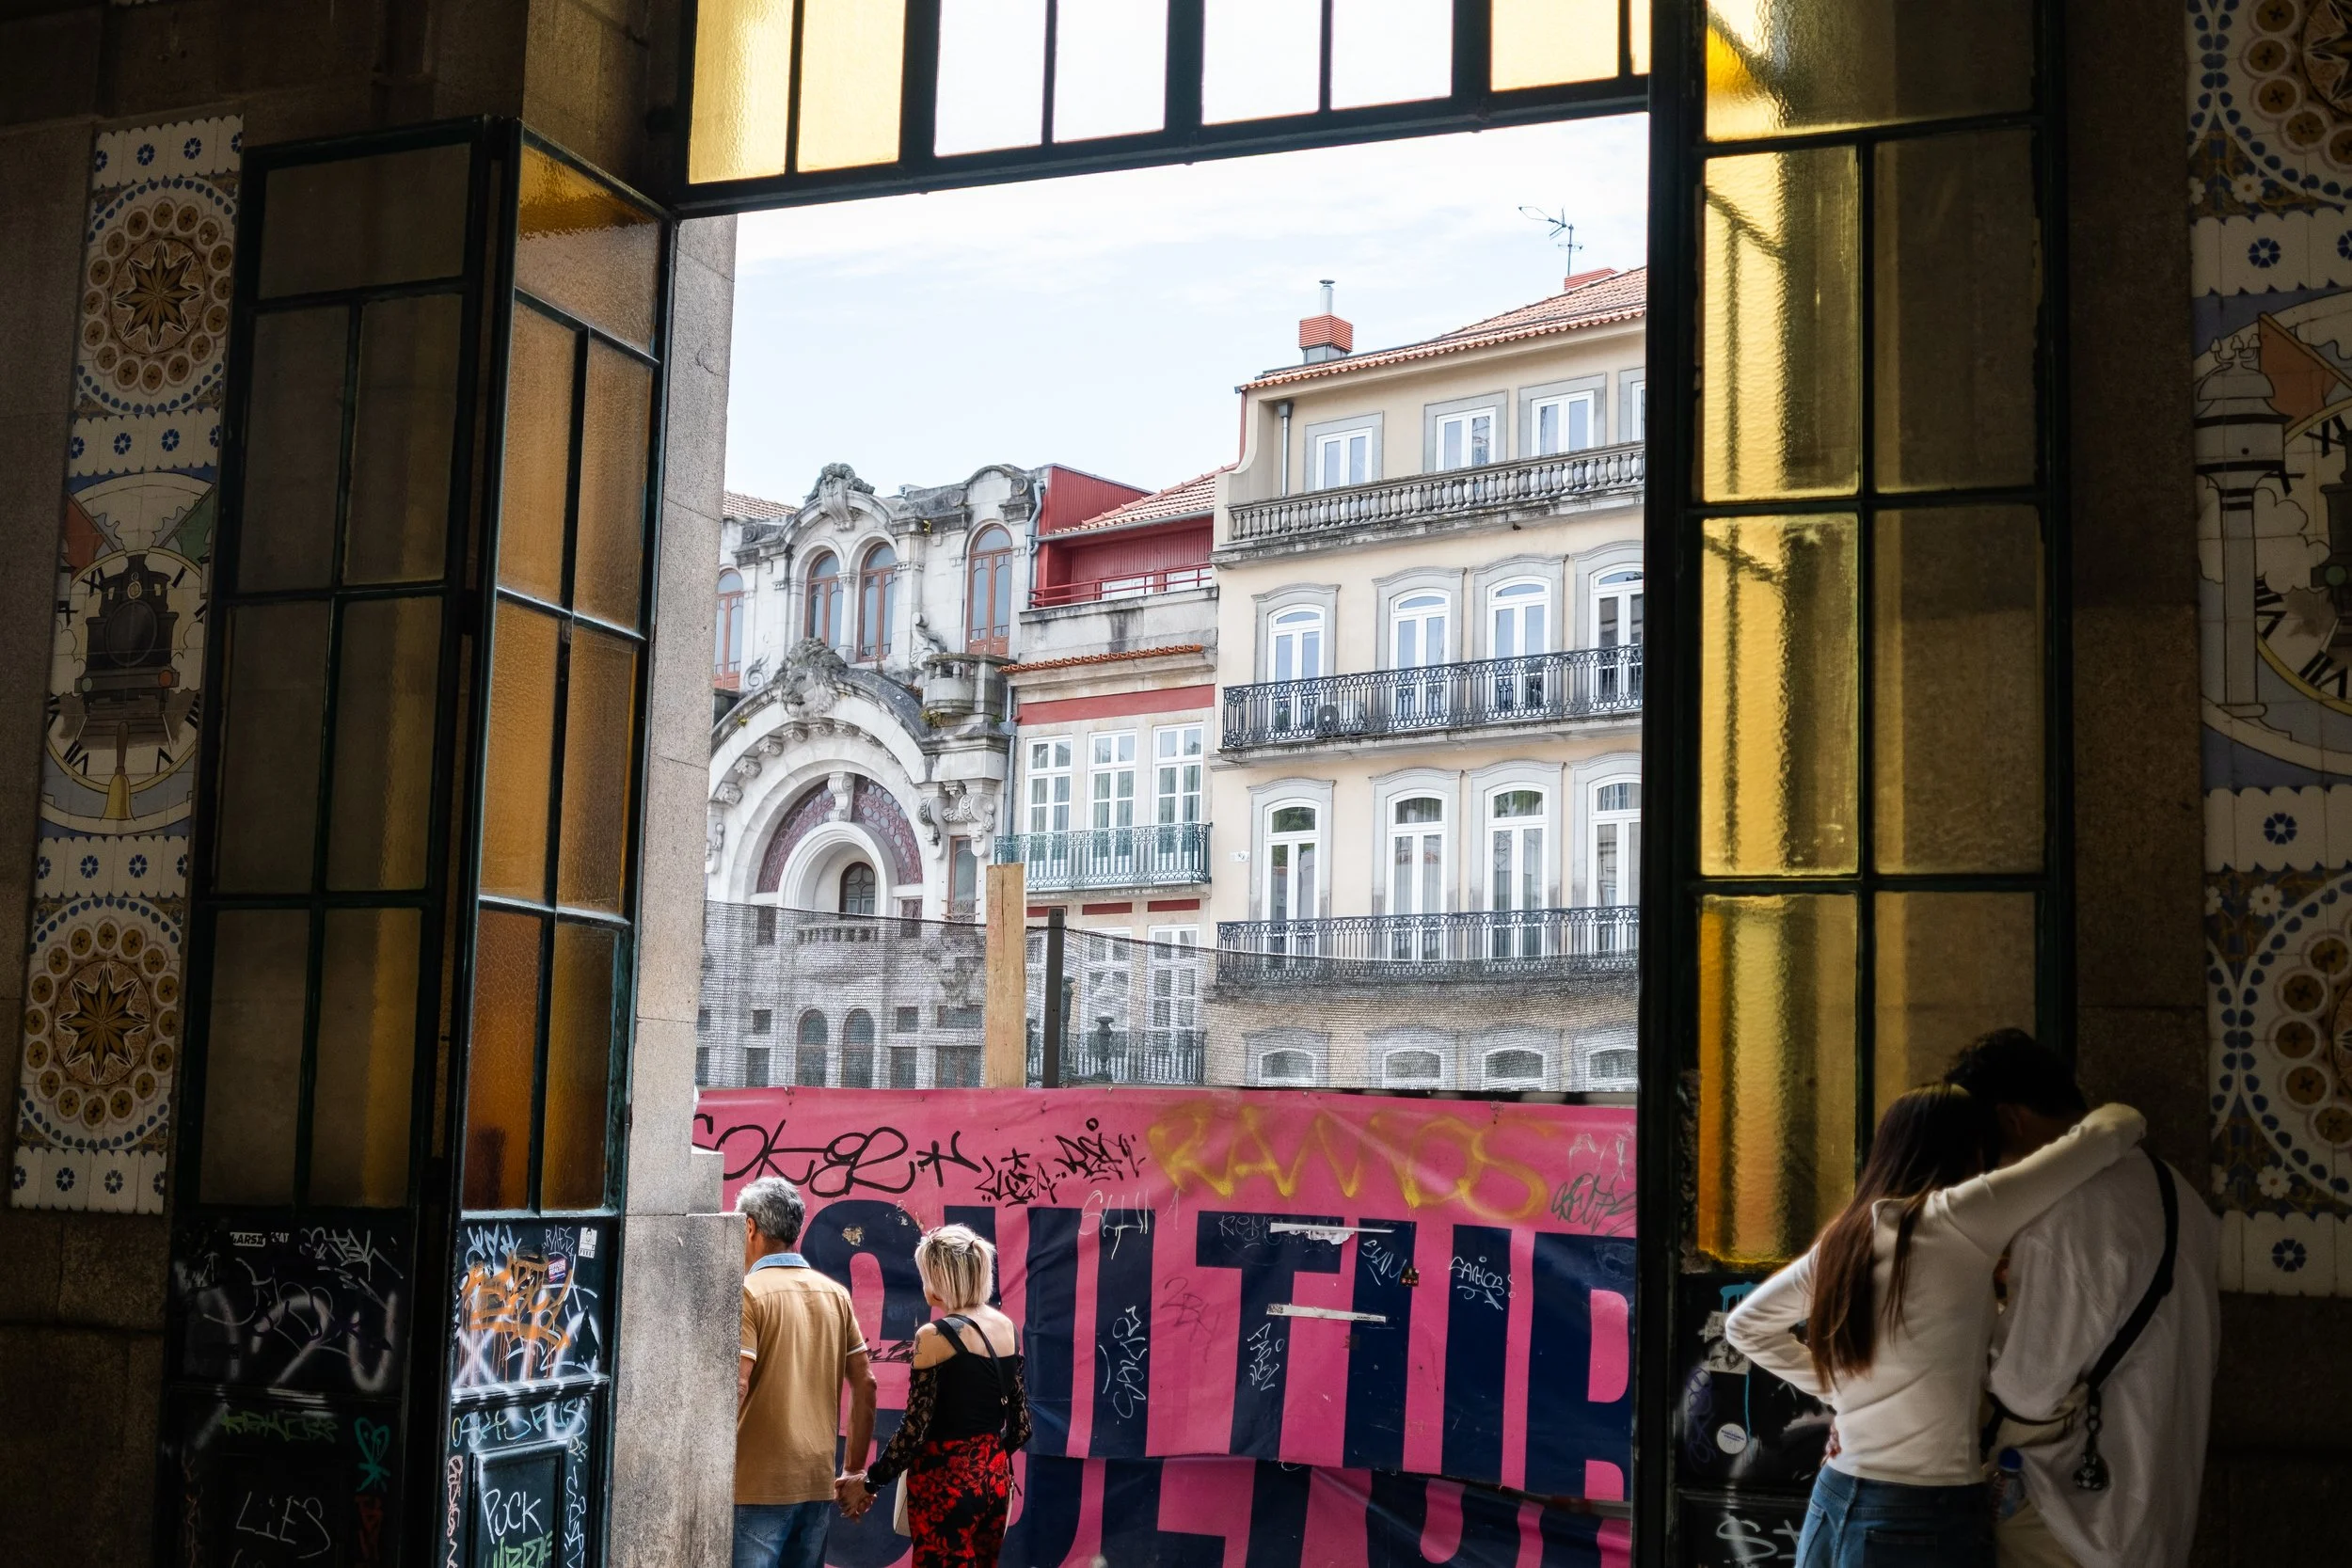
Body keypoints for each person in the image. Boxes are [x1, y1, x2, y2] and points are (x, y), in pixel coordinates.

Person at [1725, 1085, 2146, 1568]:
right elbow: (2112, 1128)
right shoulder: (1961, 1215)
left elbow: (1746, 1326)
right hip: (1920, 1514)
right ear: (1971, 1151)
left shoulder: (1847, 1238)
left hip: (1835, 1498)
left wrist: (1841, 1388)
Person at [1947, 1030, 2219, 1568]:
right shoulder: (2177, 1190)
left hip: (2071, 1522)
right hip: (2156, 1513)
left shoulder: (2068, 1214)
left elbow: (2026, 1386)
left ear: (2010, 1120)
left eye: (1984, 1158)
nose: (1988, 1177)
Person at [835, 1225, 1030, 1567]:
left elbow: (915, 1430)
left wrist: (869, 1483)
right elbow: (1020, 1428)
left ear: (939, 1276)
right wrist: (983, 1460)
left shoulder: (934, 1336)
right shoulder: (1006, 1328)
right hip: (996, 1480)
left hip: (946, 1485)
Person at [735, 1175, 877, 1568]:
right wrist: (852, 1470)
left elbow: (738, 1384)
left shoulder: (749, 1292)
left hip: (754, 1484)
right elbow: (866, 1382)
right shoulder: (835, 1294)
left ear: (749, 1227)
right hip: (816, 1481)